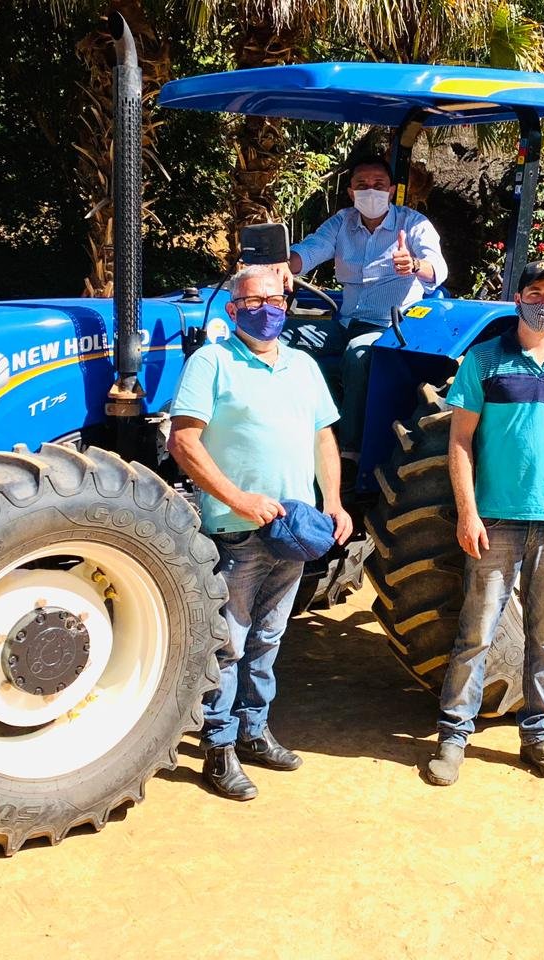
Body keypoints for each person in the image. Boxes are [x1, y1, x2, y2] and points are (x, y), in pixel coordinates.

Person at [425, 260, 544, 787]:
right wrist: (467, 511)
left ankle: (539, 737)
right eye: (535, 291)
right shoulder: (484, 360)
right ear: (518, 298)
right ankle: (453, 736)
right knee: (476, 632)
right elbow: (459, 440)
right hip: (496, 521)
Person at [169, 265, 353, 800]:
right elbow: (184, 442)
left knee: (269, 639)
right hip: (237, 531)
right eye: (253, 302)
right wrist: (239, 499)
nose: (266, 309)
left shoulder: (303, 365)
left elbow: (324, 439)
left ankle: (254, 731)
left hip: (294, 529)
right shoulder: (212, 361)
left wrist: (335, 502)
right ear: (232, 310)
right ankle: (218, 746)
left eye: (275, 300)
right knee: (229, 642)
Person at [279, 155, 448, 460]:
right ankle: (283, 429)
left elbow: (437, 267)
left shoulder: (413, 224)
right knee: (279, 336)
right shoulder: (342, 222)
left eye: (378, 184)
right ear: (351, 192)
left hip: (391, 327)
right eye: (362, 185)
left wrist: (414, 264)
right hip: (346, 322)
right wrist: (281, 265)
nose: (371, 190)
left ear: (392, 190)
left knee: (358, 354)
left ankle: (349, 450)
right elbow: (310, 250)